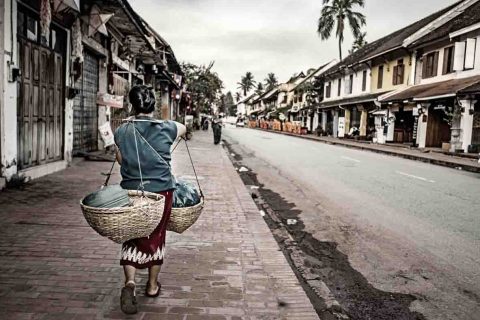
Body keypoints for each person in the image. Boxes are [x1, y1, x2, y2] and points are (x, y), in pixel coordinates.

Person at [114, 85, 186, 314]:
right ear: (154, 106)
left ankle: (130, 283)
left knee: (132, 236)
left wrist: (130, 121)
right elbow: (184, 129)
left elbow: (120, 159)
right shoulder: (167, 127)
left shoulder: (122, 130)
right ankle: (152, 286)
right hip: (161, 191)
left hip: (132, 191)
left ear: (131, 105)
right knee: (157, 235)